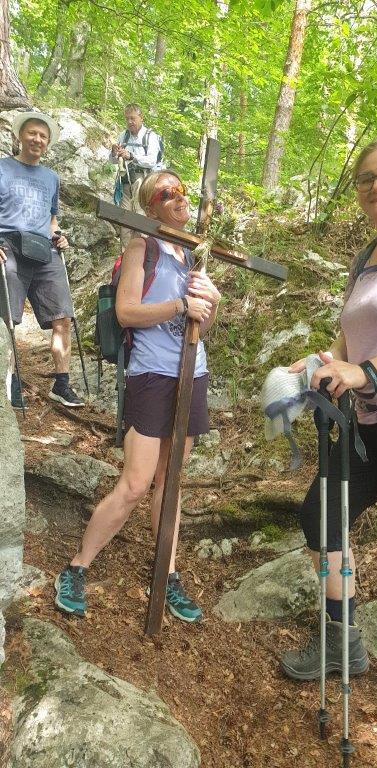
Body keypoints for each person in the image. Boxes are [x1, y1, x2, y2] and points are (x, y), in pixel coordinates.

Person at [279, 139, 377, 762]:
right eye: (365, 179)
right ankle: (343, 641)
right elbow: (350, 337)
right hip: (369, 422)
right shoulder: (364, 259)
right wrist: (324, 361)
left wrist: (366, 371)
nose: (376, 186)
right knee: (321, 516)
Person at [54, 170, 221, 623]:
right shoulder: (141, 248)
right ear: (151, 207)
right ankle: (77, 567)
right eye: (168, 193)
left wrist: (210, 304)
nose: (179, 197)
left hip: (192, 375)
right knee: (135, 484)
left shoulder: (193, 254)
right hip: (151, 376)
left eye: (182, 190)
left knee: (170, 483)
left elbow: (199, 325)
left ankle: (167, 574)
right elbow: (127, 312)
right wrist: (180, 304)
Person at [0, 111, 84, 409]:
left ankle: (61, 384)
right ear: (20, 136)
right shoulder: (3, 168)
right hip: (9, 245)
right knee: (9, 319)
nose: (37, 139)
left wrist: (58, 234)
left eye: (43, 136)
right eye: (32, 133)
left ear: (48, 143)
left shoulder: (51, 177)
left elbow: (51, 218)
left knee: (62, 316)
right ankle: (9, 382)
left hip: (45, 248)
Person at [110, 103, 162, 250]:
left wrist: (131, 156)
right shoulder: (123, 135)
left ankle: (141, 254)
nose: (129, 122)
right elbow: (113, 161)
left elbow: (152, 160)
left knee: (140, 218)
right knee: (124, 219)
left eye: (133, 118)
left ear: (141, 118)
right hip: (125, 182)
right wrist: (114, 152)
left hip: (143, 181)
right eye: (127, 119)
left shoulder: (150, 136)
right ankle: (125, 255)